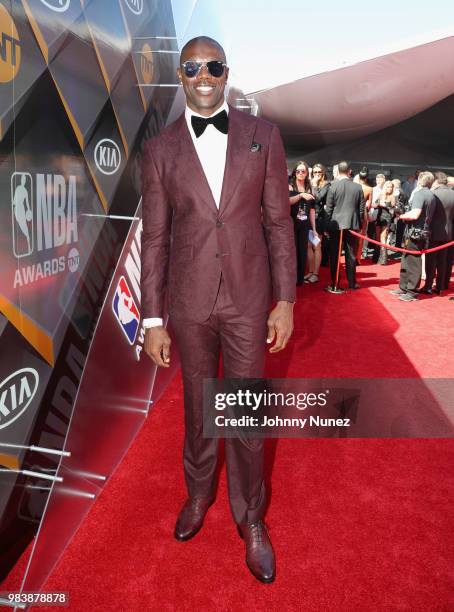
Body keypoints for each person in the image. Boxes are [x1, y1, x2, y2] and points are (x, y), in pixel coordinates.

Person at [140, 36, 295, 584]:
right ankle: (198, 495)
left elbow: (279, 223)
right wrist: (153, 318)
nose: (203, 76)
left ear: (227, 74)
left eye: (214, 67)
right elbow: (155, 239)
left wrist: (285, 300)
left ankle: (252, 520)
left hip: (251, 301)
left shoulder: (264, 137)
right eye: (192, 67)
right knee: (199, 413)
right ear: (180, 76)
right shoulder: (159, 150)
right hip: (188, 303)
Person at [390, 171, 436, 302]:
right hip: (419, 231)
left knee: (413, 261)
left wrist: (401, 216)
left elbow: (415, 214)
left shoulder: (420, 194)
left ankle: (411, 291)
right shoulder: (431, 195)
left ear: (420, 180)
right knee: (406, 259)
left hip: (415, 232)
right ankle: (404, 287)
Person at [325, 161, 365, 289]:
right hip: (352, 225)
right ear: (349, 171)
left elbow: (329, 209)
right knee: (351, 254)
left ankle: (335, 283)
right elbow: (361, 209)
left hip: (335, 225)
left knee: (335, 255)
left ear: (338, 171)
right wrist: (358, 225)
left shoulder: (333, 186)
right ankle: (352, 283)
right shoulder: (358, 187)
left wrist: (326, 226)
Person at [421, 172, 454, 294]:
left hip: (433, 232)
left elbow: (428, 214)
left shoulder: (433, 194)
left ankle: (428, 286)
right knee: (443, 261)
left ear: (436, 181)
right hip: (449, 233)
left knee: (431, 261)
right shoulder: (453, 194)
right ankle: (440, 287)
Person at [288, 161, 317, 285]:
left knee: (302, 251)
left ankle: (299, 279)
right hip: (291, 223)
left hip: (304, 224)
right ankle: (290, 278)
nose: (300, 173)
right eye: (298, 171)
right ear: (294, 173)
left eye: (303, 171)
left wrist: (314, 229)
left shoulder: (310, 188)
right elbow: (287, 201)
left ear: (306, 173)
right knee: (292, 251)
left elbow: (312, 211)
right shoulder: (290, 186)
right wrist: (301, 195)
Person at [306, 163, 329, 281]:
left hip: (319, 218)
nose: (317, 174)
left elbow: (318, 198)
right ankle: (310, 271)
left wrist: (314, 185)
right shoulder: (309, 184)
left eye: (319, 172)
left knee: (317, 245)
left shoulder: (326, 184)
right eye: (315, 172)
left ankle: (316, 274)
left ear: (323, 173)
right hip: (308, 217)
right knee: (308, 246)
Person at [374, 180, 396, 265]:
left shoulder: (393, 197)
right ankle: (376, 258)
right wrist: (377, 204)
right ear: (385, 187)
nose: (390, 188)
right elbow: (375, 204)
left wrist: (383, 204)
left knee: (383, 237)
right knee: (377, 238)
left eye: (391, 187)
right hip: (379, 217)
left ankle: (383, 260)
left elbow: (392, 207)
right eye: (388, 186)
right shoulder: (380, 195)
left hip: (387, 218)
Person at [354, 166, 372, 262]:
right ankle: (358, 258)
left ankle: (351, 256)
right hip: (363, 212)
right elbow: (369, 205)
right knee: (361, 236)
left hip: (353, 211)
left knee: (352, 236)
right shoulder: (369, 189)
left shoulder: (353, 186)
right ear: (367, 177)